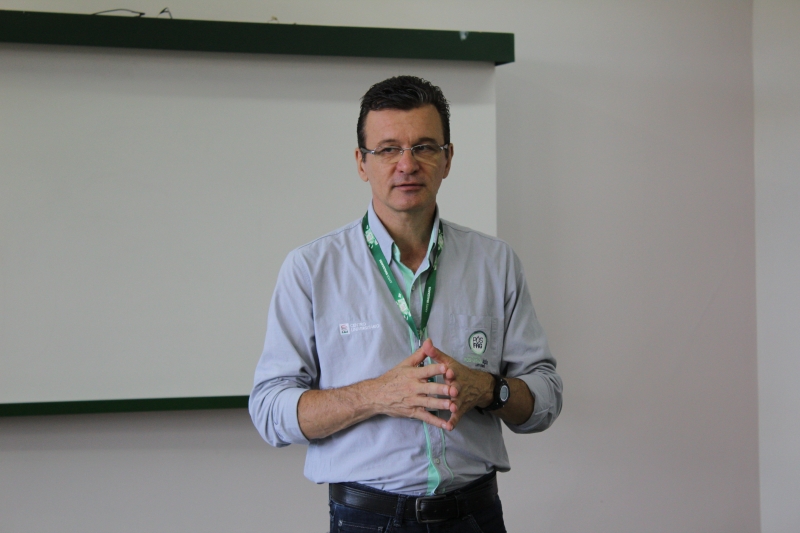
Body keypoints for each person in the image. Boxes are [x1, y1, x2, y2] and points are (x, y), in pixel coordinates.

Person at [249, 75, 562, 532]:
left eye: (425, 147)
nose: (407, 164)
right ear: (361, 162)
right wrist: (376, 395)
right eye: (388, 149)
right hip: (366, 518)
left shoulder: (496, 263)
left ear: (448, 159)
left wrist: (487, 388)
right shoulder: (311, 268)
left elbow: (546, 398)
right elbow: (270, 411)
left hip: (474, 515)